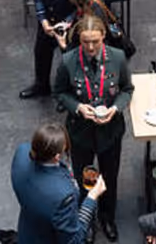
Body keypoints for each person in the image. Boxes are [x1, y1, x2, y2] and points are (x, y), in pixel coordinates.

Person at [53, 14, 133, 242]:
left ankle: (108, 217)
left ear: (103, 37)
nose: (89, 47)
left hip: (110, 131)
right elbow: (59, 92)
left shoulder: (117, 57)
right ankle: (85, 221)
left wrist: (115, 109)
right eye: (85, 41)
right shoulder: (69, 60)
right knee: (83, 177)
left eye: (95, 42)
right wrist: (78, 106)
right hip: (81, 132)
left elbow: (127, 89)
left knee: (110, 175)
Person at [22, 0, 92, 99]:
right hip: (48, 19)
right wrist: (43, 19)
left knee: (71, 60)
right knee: (41, 53)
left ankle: (72, 93)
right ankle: (41, 85)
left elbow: (85, 3)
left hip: (70, 23)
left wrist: (67, 23)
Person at [10, 123, 106, 244]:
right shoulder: (63, 196)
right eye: (64, 150)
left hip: (29, 232)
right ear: (56, 157)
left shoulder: (22, 152)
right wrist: (92, 197)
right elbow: (74, 240)